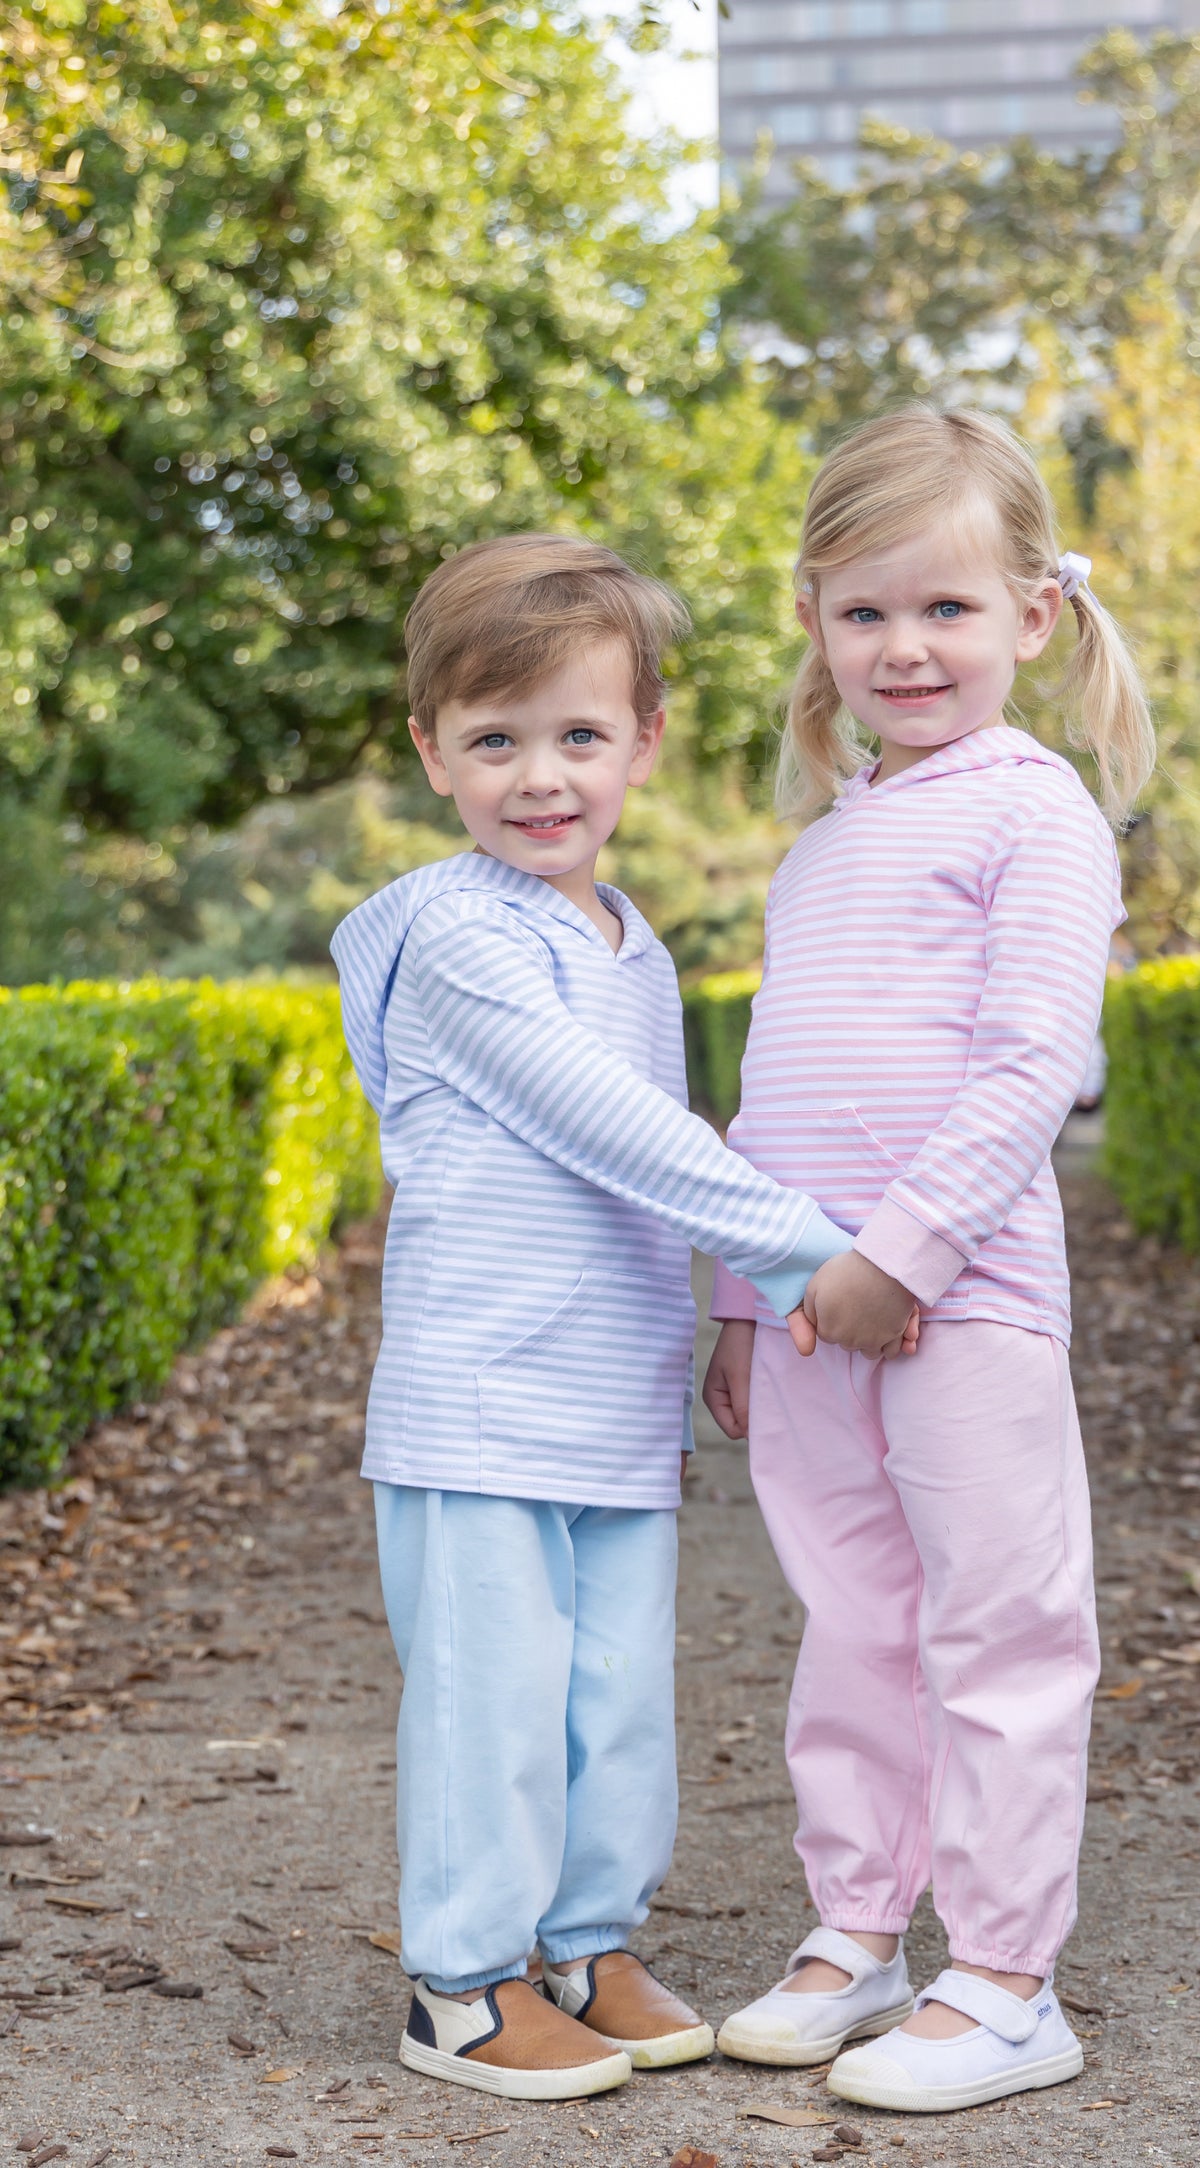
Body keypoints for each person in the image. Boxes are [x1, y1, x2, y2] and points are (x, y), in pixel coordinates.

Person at [330, 534, 891, 2103]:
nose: (539, 777)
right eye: (494, 740)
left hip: (608, 1394)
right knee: (490, 1701)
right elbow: (613, 1129)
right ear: (431, 750)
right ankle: (462, 1979)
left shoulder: (627, 940)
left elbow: (669, 1131)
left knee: (613, 1702)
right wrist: (803, 1258)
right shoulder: (456, 935)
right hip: (480, 1399)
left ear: (643, 738)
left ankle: (584, 1943)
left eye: (579, 735)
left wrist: (723, 1301)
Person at [702, 407, 1155, 2115]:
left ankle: (1007, 1977)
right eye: (866, 612)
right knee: (853, 1624)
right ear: (815, 620)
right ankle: (857, 1934)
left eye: (947, 610)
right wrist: (751, 1299)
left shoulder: (1034, 814)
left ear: (1032, 616)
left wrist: (899, 1256)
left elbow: (1032, 1062)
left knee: (1000, 1626)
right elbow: (776, 1099)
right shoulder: (820, 844)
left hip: (956, 1300)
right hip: (813, 1316)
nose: (905, 648)